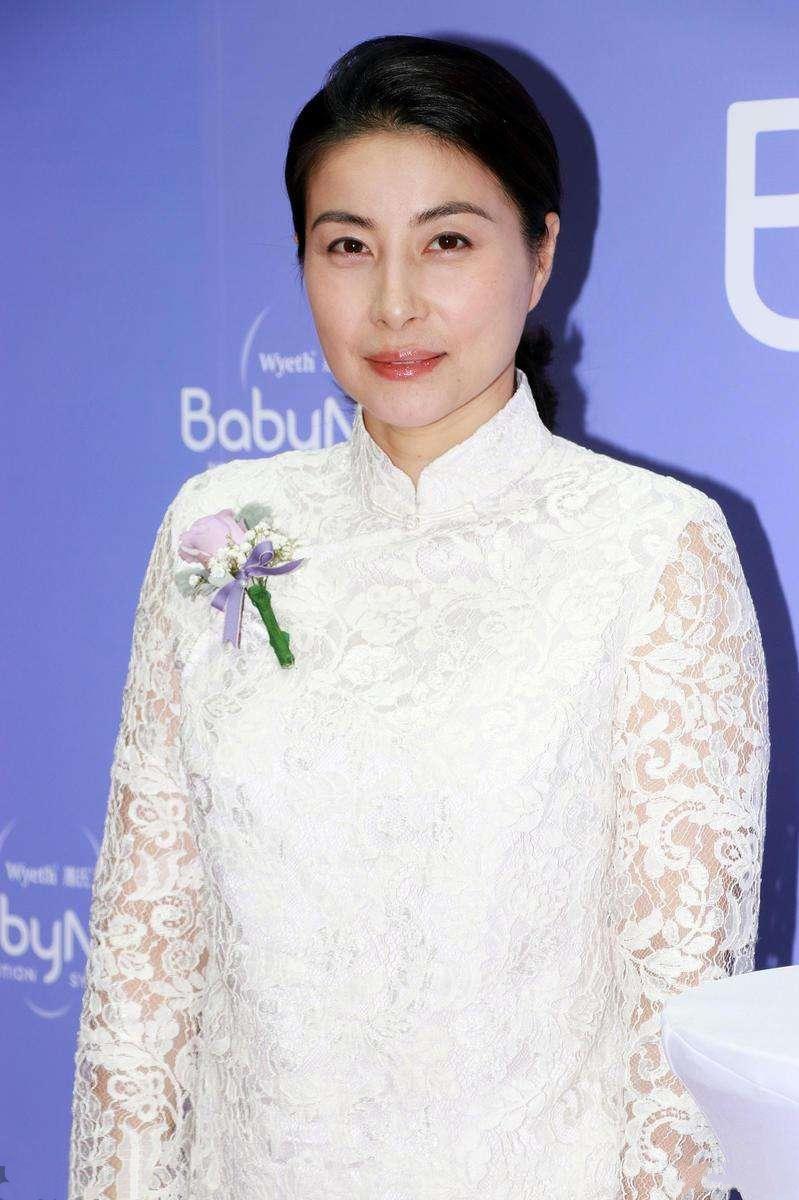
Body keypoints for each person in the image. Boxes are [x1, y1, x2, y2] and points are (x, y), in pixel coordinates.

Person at [67, 33, 770, 1200]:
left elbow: (676, 1042)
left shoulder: (653, 550)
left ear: (540, 255)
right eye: (348, 246)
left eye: (447, 241)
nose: (393, 303)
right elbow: (142, 983)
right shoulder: (217, 529)